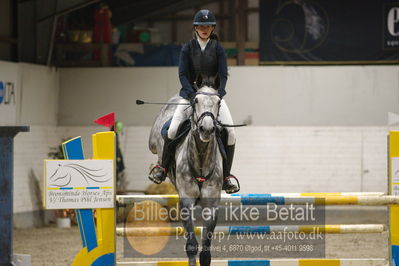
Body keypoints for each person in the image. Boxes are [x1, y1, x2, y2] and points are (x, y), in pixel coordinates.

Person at [149, 9, 239, 194]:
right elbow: (182, 74)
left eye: (208, 26)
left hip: (213, 98)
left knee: (231, 133)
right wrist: (190, 94)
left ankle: (227, 176)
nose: (204, 29)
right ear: (196, 28)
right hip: (190, 95)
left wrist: (219, 93)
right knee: (173, 128)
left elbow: (222, 74)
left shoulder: (219, 49)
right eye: (201, 26)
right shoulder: (188, 48)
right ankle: (162, 168)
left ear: (212, 28)